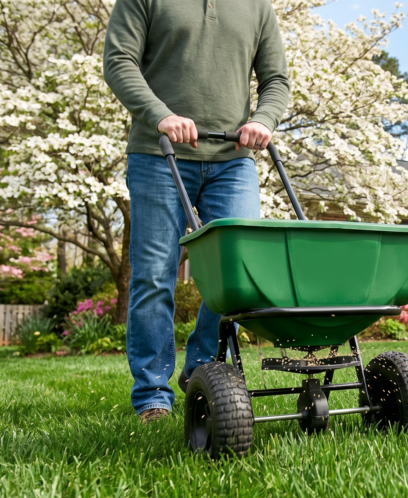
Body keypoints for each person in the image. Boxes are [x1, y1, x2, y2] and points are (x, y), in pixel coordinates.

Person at [103, 0, 290, 423]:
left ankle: (203, 368)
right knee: (154, 274)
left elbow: (276, 79)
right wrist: (160, 115)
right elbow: (118, 60)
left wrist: (264, 118)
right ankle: (152, 395)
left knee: (241, 275)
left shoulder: (257, 7)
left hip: (233, 158)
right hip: (158, 153)